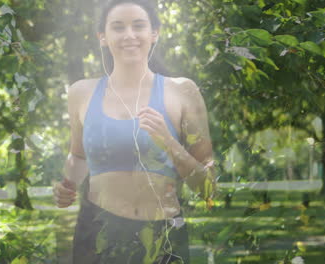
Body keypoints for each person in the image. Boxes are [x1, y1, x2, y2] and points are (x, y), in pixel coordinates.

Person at [53, 0, 215, 263]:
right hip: (97, 235)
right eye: (118, 27)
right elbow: (79, 157)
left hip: (163, 236)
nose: (129, 35)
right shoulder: (81, 92)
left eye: (138, 26)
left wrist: (169, 142)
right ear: (103, 37)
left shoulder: (183, 91)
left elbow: (208, 187)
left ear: (154, 33)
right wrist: (67, 185)